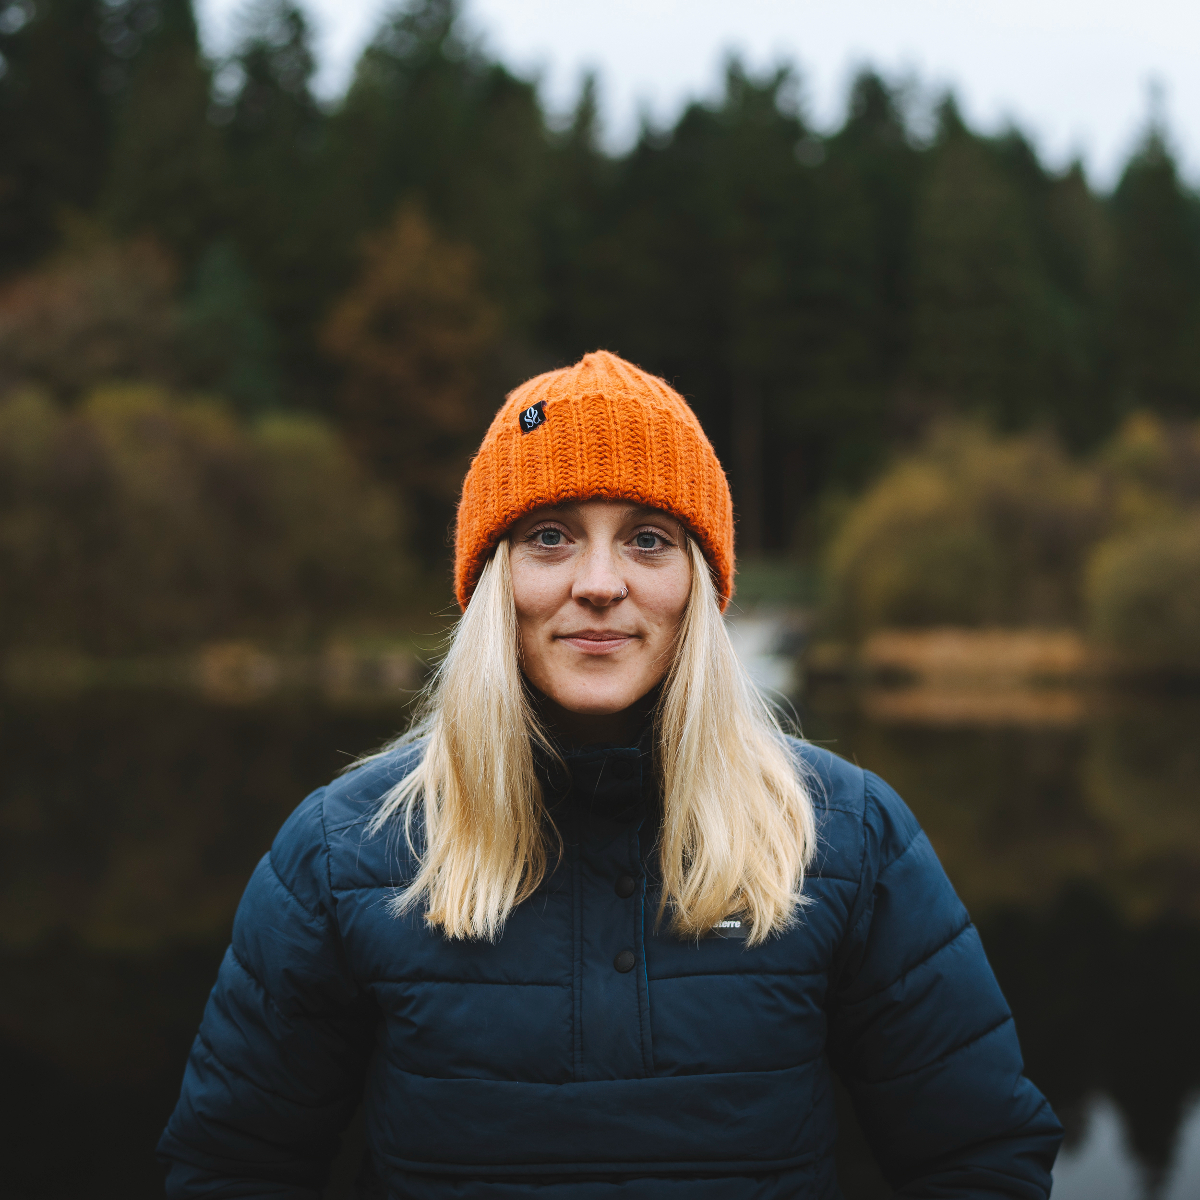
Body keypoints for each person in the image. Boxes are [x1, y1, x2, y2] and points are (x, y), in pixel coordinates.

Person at [159, 351, 1062, 1199]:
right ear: (491, 584)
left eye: (648, 540)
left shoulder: (847, 837)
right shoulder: (341, 852)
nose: (599, 582)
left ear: (699, 585)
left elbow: (979, 1158)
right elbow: (232, 1165)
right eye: (551, 536)